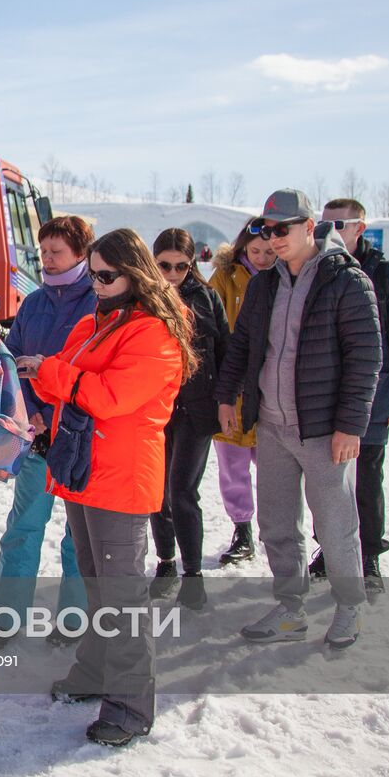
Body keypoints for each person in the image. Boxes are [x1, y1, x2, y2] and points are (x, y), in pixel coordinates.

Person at [16, 228, 192, 748]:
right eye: (92, 274)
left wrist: (54, 373)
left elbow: (109, 395)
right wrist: (49, 373)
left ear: (135, 273)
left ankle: (131, 705)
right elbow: (63, 378)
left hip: (122, 475)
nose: (96, 283)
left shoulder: (154, 331)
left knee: (122, 596)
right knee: (97, 584)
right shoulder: (96, 321)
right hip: (84, 469)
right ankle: (95, 673)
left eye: (106, 275)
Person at [215, 189, 380, 650]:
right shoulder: (266, 282)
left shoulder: (345, 280)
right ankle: (291, 608)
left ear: (310, 226)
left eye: (282, 229)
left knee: (335, 524)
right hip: (271, 426)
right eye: (266, 230)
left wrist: (351, 425)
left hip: (324, 430)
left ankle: (349, 607)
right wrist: (227, 395)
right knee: (277, 523)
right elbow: (242, 345)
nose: (273, 239)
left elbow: (366, 357)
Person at [0, 216, 94, 646]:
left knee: (77, 537)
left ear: (80, 254)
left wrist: (55, 411)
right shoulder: (32, 303)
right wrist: (27, 409)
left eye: (57, 252)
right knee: (23, 528)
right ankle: (6, 617)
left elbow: (90, 371)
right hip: (35, 438)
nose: (47, 259)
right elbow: (11, 362)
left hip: (79, 439)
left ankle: (74, 619)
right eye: (43, 251)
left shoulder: (96, 303)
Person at [310, 198, 389, 592]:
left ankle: (369, 555)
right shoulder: (315, 270)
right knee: (326, 480)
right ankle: (327, 549)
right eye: (323, 225)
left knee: (366, 478)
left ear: (361, 228)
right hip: (325, 397)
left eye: (339, 224)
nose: (330, 232)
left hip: (372, 398)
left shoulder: (386, 275)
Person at [146, 229, 229, 610]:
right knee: (156, 492)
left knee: (181, 490)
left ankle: (192, 573)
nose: (174, 273)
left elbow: (226, 350)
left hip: (197, 408)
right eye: (165, 265)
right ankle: (165, 562)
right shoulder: (143, 296)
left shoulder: (207, 297)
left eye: (182, 266)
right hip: (154, 407)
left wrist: (227, 400)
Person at [207, 220, 277, 565]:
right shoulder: (225, 278)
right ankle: (242, 529)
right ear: (242, 249)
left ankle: (276, 529)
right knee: (232, 467)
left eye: (268, 251)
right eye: (255, 252)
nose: (262, 258)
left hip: (270, 391)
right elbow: (208, 326)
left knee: (274, 468)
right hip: (230, 389)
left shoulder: (284, 278)